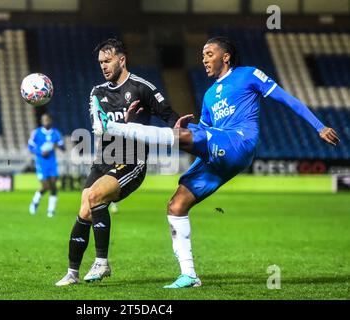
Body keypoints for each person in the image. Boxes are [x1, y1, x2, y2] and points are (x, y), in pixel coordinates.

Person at [91, 36, 340, 288]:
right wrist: (184, 132)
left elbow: (287, 99)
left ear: (226, 56)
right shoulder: (209, 95)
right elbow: (206, 134)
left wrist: (319, 126)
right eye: (202, 55)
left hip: (239, 142)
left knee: (186, 136)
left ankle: (112, 127)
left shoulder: (248, 75)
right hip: (220, 152)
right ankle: (189, 275)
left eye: (209, 54)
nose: (204, 59)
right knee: (176, 204)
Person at [55, 38, 179, 286]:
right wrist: (125, 122)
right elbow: (100, 130)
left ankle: (102, 263)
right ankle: (72, 273)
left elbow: (171, 118)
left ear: (122, 60)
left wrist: (194, 137)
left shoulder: (142, 88)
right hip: (103, 160)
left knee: (94, 197)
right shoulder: (97, 92)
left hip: (131, 161)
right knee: (84, 208)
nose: (103, 66)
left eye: (108, 60)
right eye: (100, 62)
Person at [28, 113, 65, 217]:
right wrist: (40, 152)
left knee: (53, 187)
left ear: (51, 121)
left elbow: (63, 147)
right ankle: (35, 201)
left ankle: (51, 210)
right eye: (44, 120)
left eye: (48, 119)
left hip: (52, 163)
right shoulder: (36, 133)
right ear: (42, 121)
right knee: (45, 186)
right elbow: (30, 147)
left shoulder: (56, 133)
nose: (46, 121)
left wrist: (56, 145)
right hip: (41, 163)